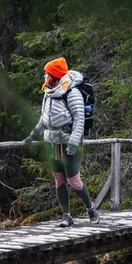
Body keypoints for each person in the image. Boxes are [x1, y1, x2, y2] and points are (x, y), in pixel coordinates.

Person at [23, 57, 100, 227]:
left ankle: (91, 209)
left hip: (69, 143)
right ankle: (67, 216)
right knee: (59, 180)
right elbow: (44, 120)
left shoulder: (72, 93)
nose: (44, 77)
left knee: (74, 181)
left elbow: (79, 120)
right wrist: (33, 135)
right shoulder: (49, 93)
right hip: (53, 144)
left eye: (47, 74)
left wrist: (73, 144)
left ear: (54, 76)